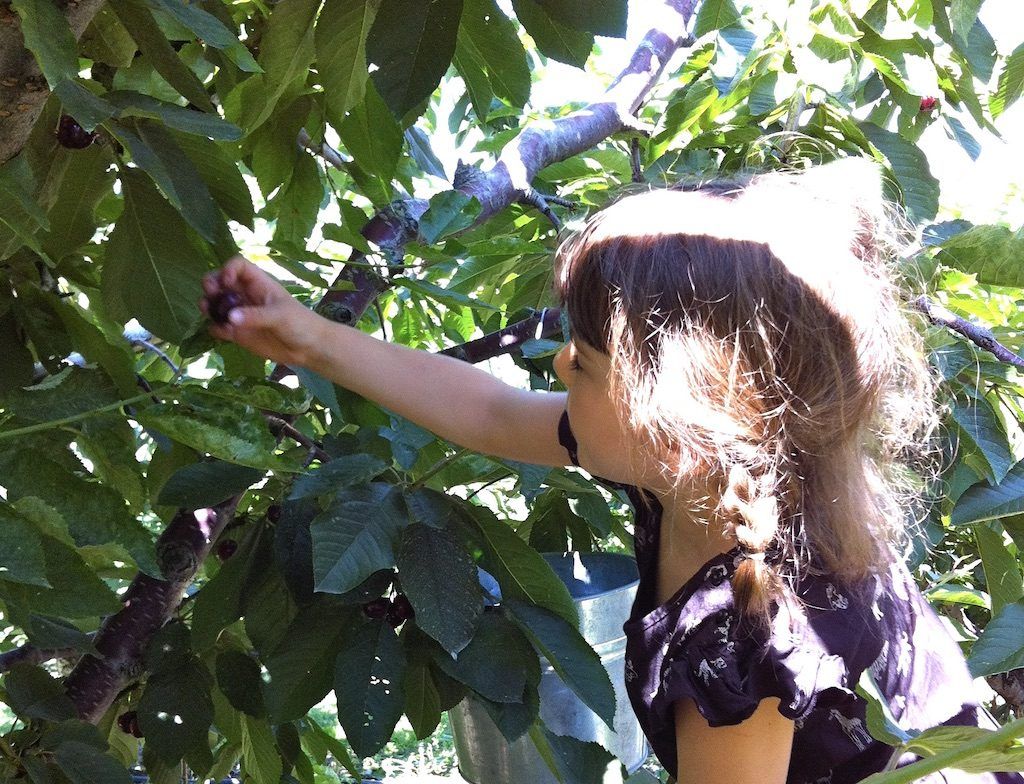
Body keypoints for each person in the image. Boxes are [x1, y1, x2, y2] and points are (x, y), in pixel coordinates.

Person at [200, 158, 1021, 784]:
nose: (556, 365)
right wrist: (308, 337)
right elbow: (486, 413)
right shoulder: (714, 476)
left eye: (584, 360)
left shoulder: (746, 640)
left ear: (678, 424)